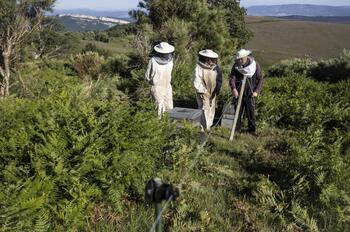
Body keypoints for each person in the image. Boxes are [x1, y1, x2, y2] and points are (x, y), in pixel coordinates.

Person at [229, 49, 263, 135]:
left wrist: (256, 91)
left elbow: (260, 79)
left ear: (246, 57)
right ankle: (236, 130)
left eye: (241, 59)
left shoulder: (255, 65)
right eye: (238, 59)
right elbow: (232, 77)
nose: (239, 60)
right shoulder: (236, 66)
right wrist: (233, 89)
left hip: (250, 94)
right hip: (238, 93)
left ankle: (252, 131)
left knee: (250, 113)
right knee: (238, 112)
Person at [193, 49, 222, 131]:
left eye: (211, 58)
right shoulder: (198, 67)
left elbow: (219, 80)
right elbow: (196, 81)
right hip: (203, 92)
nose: (209, 60)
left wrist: (216, 90)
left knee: (211, 108)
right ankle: (202, 127)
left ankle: (208, 126)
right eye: (207, 58)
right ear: (203, 58)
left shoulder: (215, 68)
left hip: (213, 91)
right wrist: (203, 91)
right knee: (204, 109)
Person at [145, 42, 175, 116]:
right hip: (157, 87)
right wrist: (152, 83)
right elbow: (147, 76)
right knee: (159, 108)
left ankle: (168, 125)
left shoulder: (170, 60)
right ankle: (159, 126)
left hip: (167, 86)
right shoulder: (153, 61)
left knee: (169, 107)